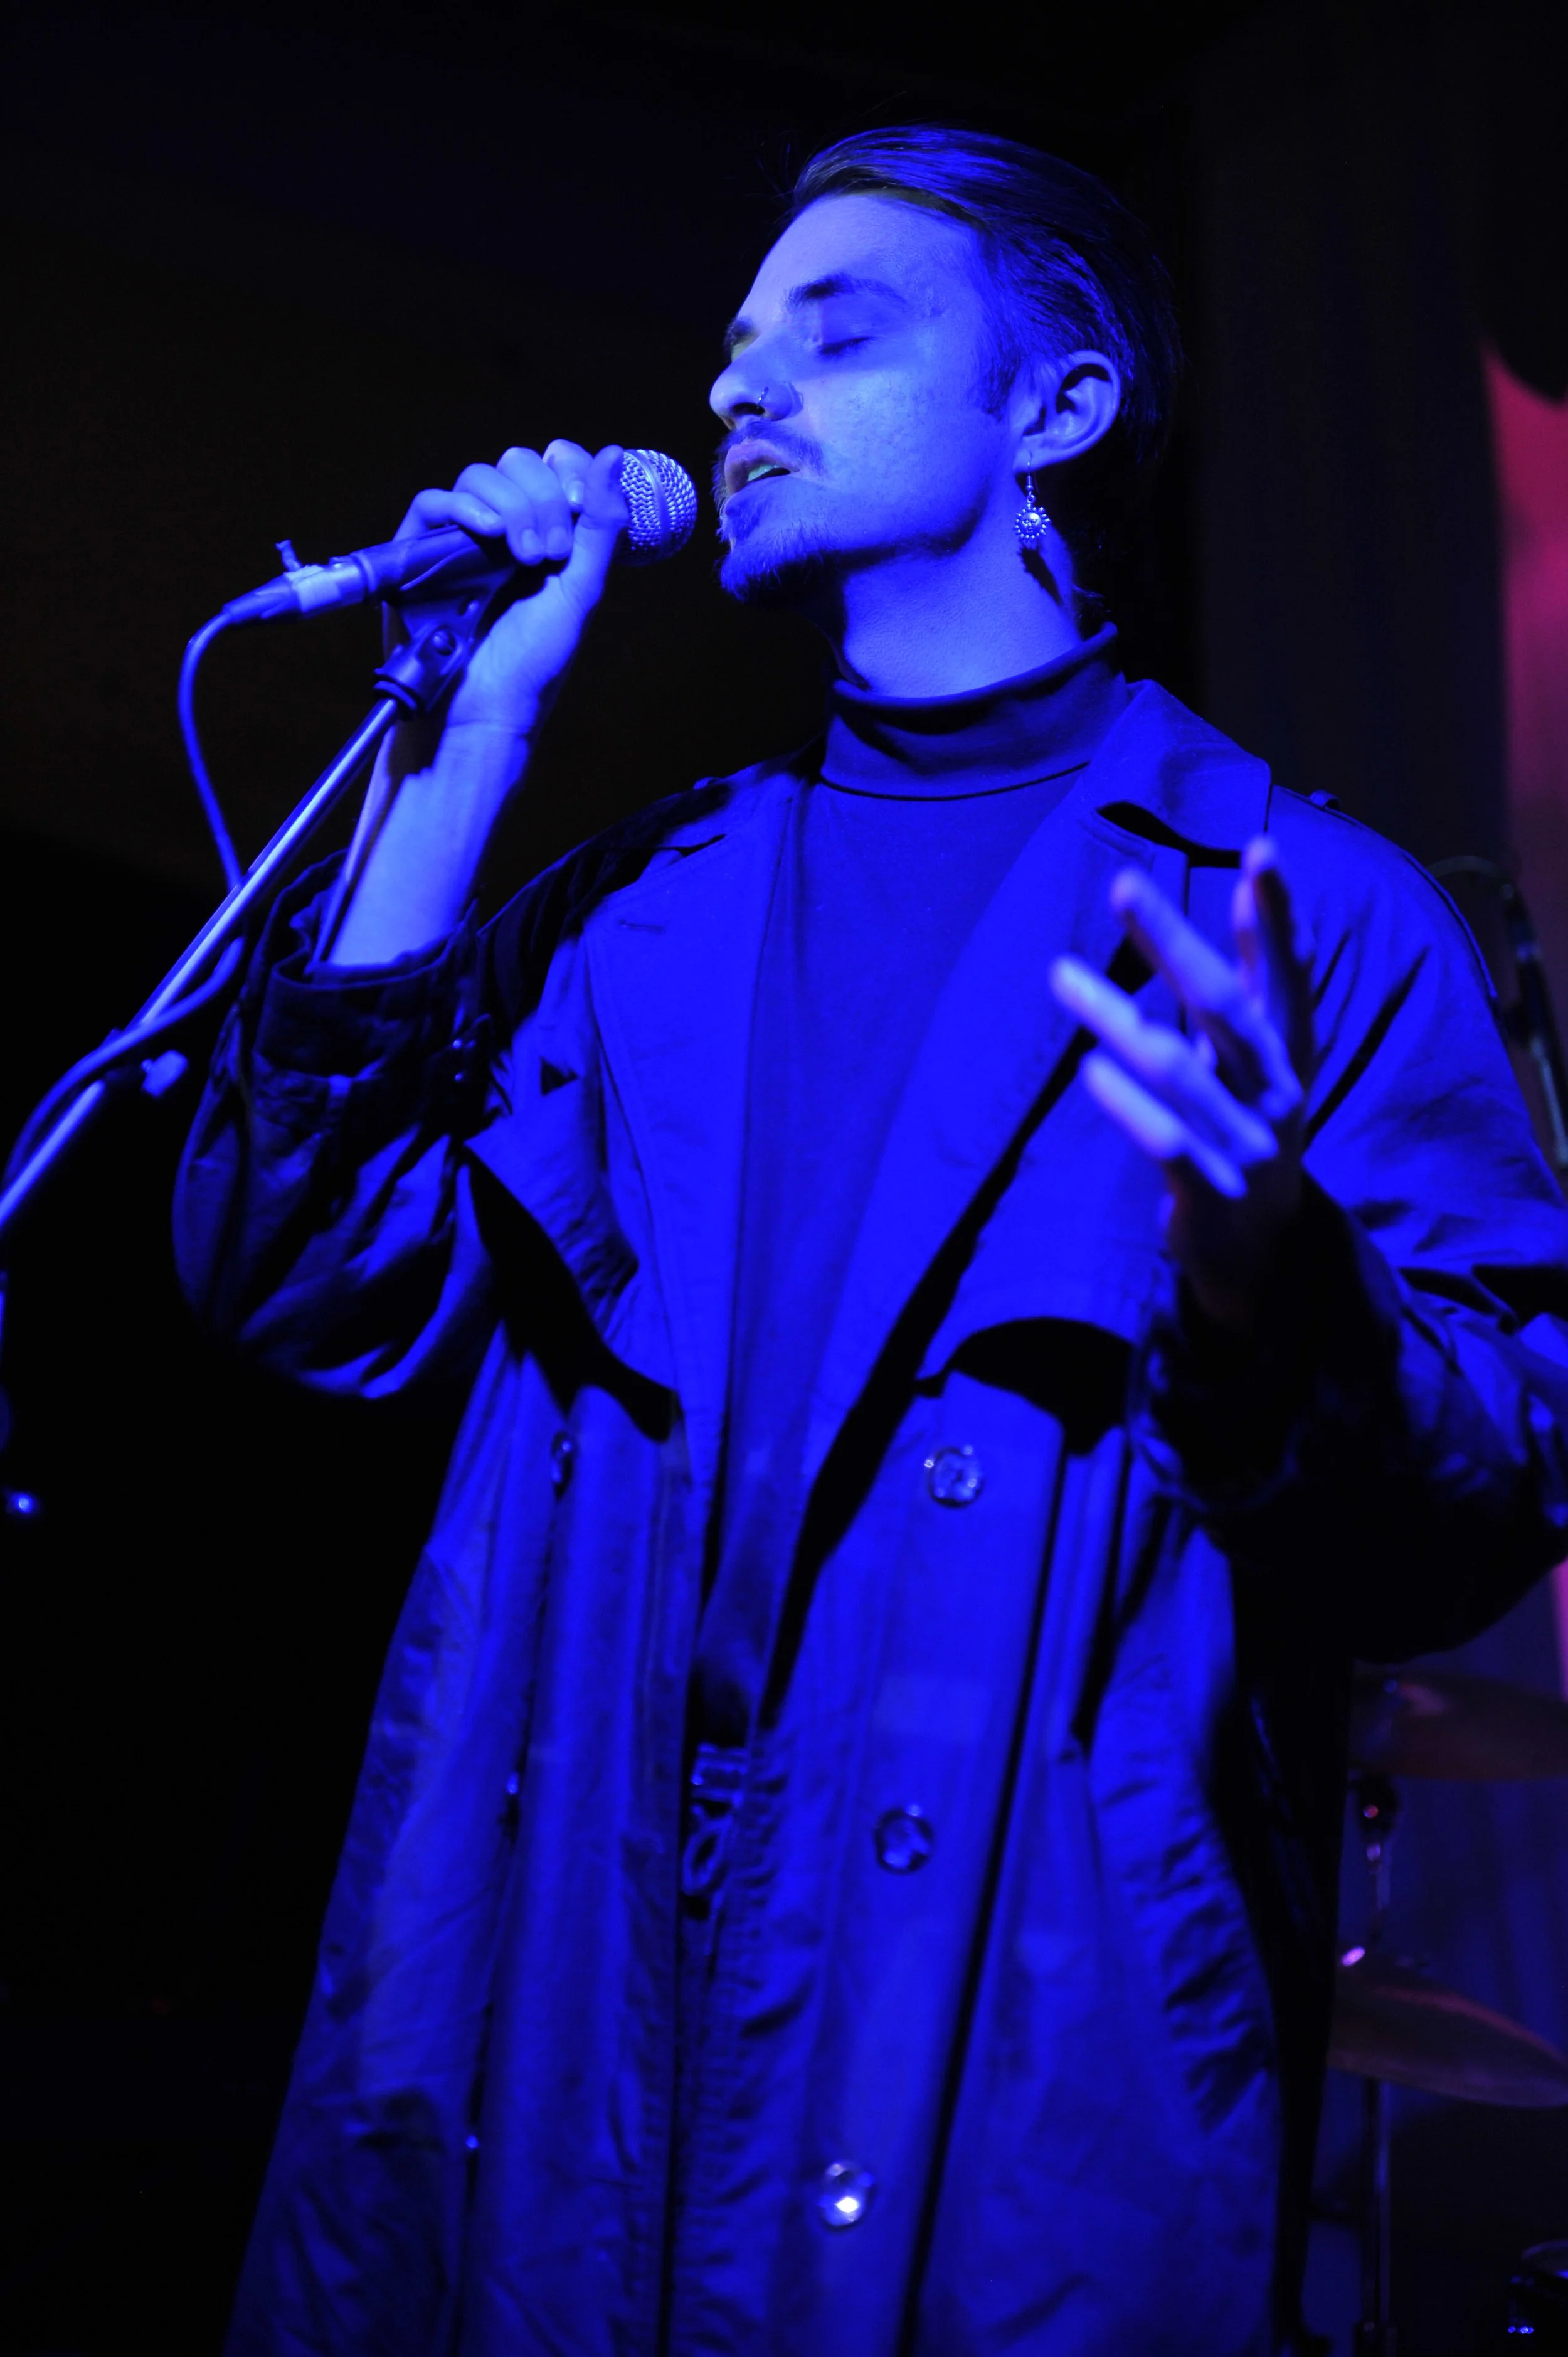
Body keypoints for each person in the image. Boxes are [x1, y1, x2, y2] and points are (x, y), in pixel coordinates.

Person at [176, 126, 1568, 2357]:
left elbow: (1483, 1488)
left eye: (838, 333)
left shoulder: (1298, 908)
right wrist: (468, 746)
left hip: (999, 2031)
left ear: (1057, 407)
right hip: (554, 1973)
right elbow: (295, 1276)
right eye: (735, 344)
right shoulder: (636, 906)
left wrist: (1273, 1291)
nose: (741, 386)